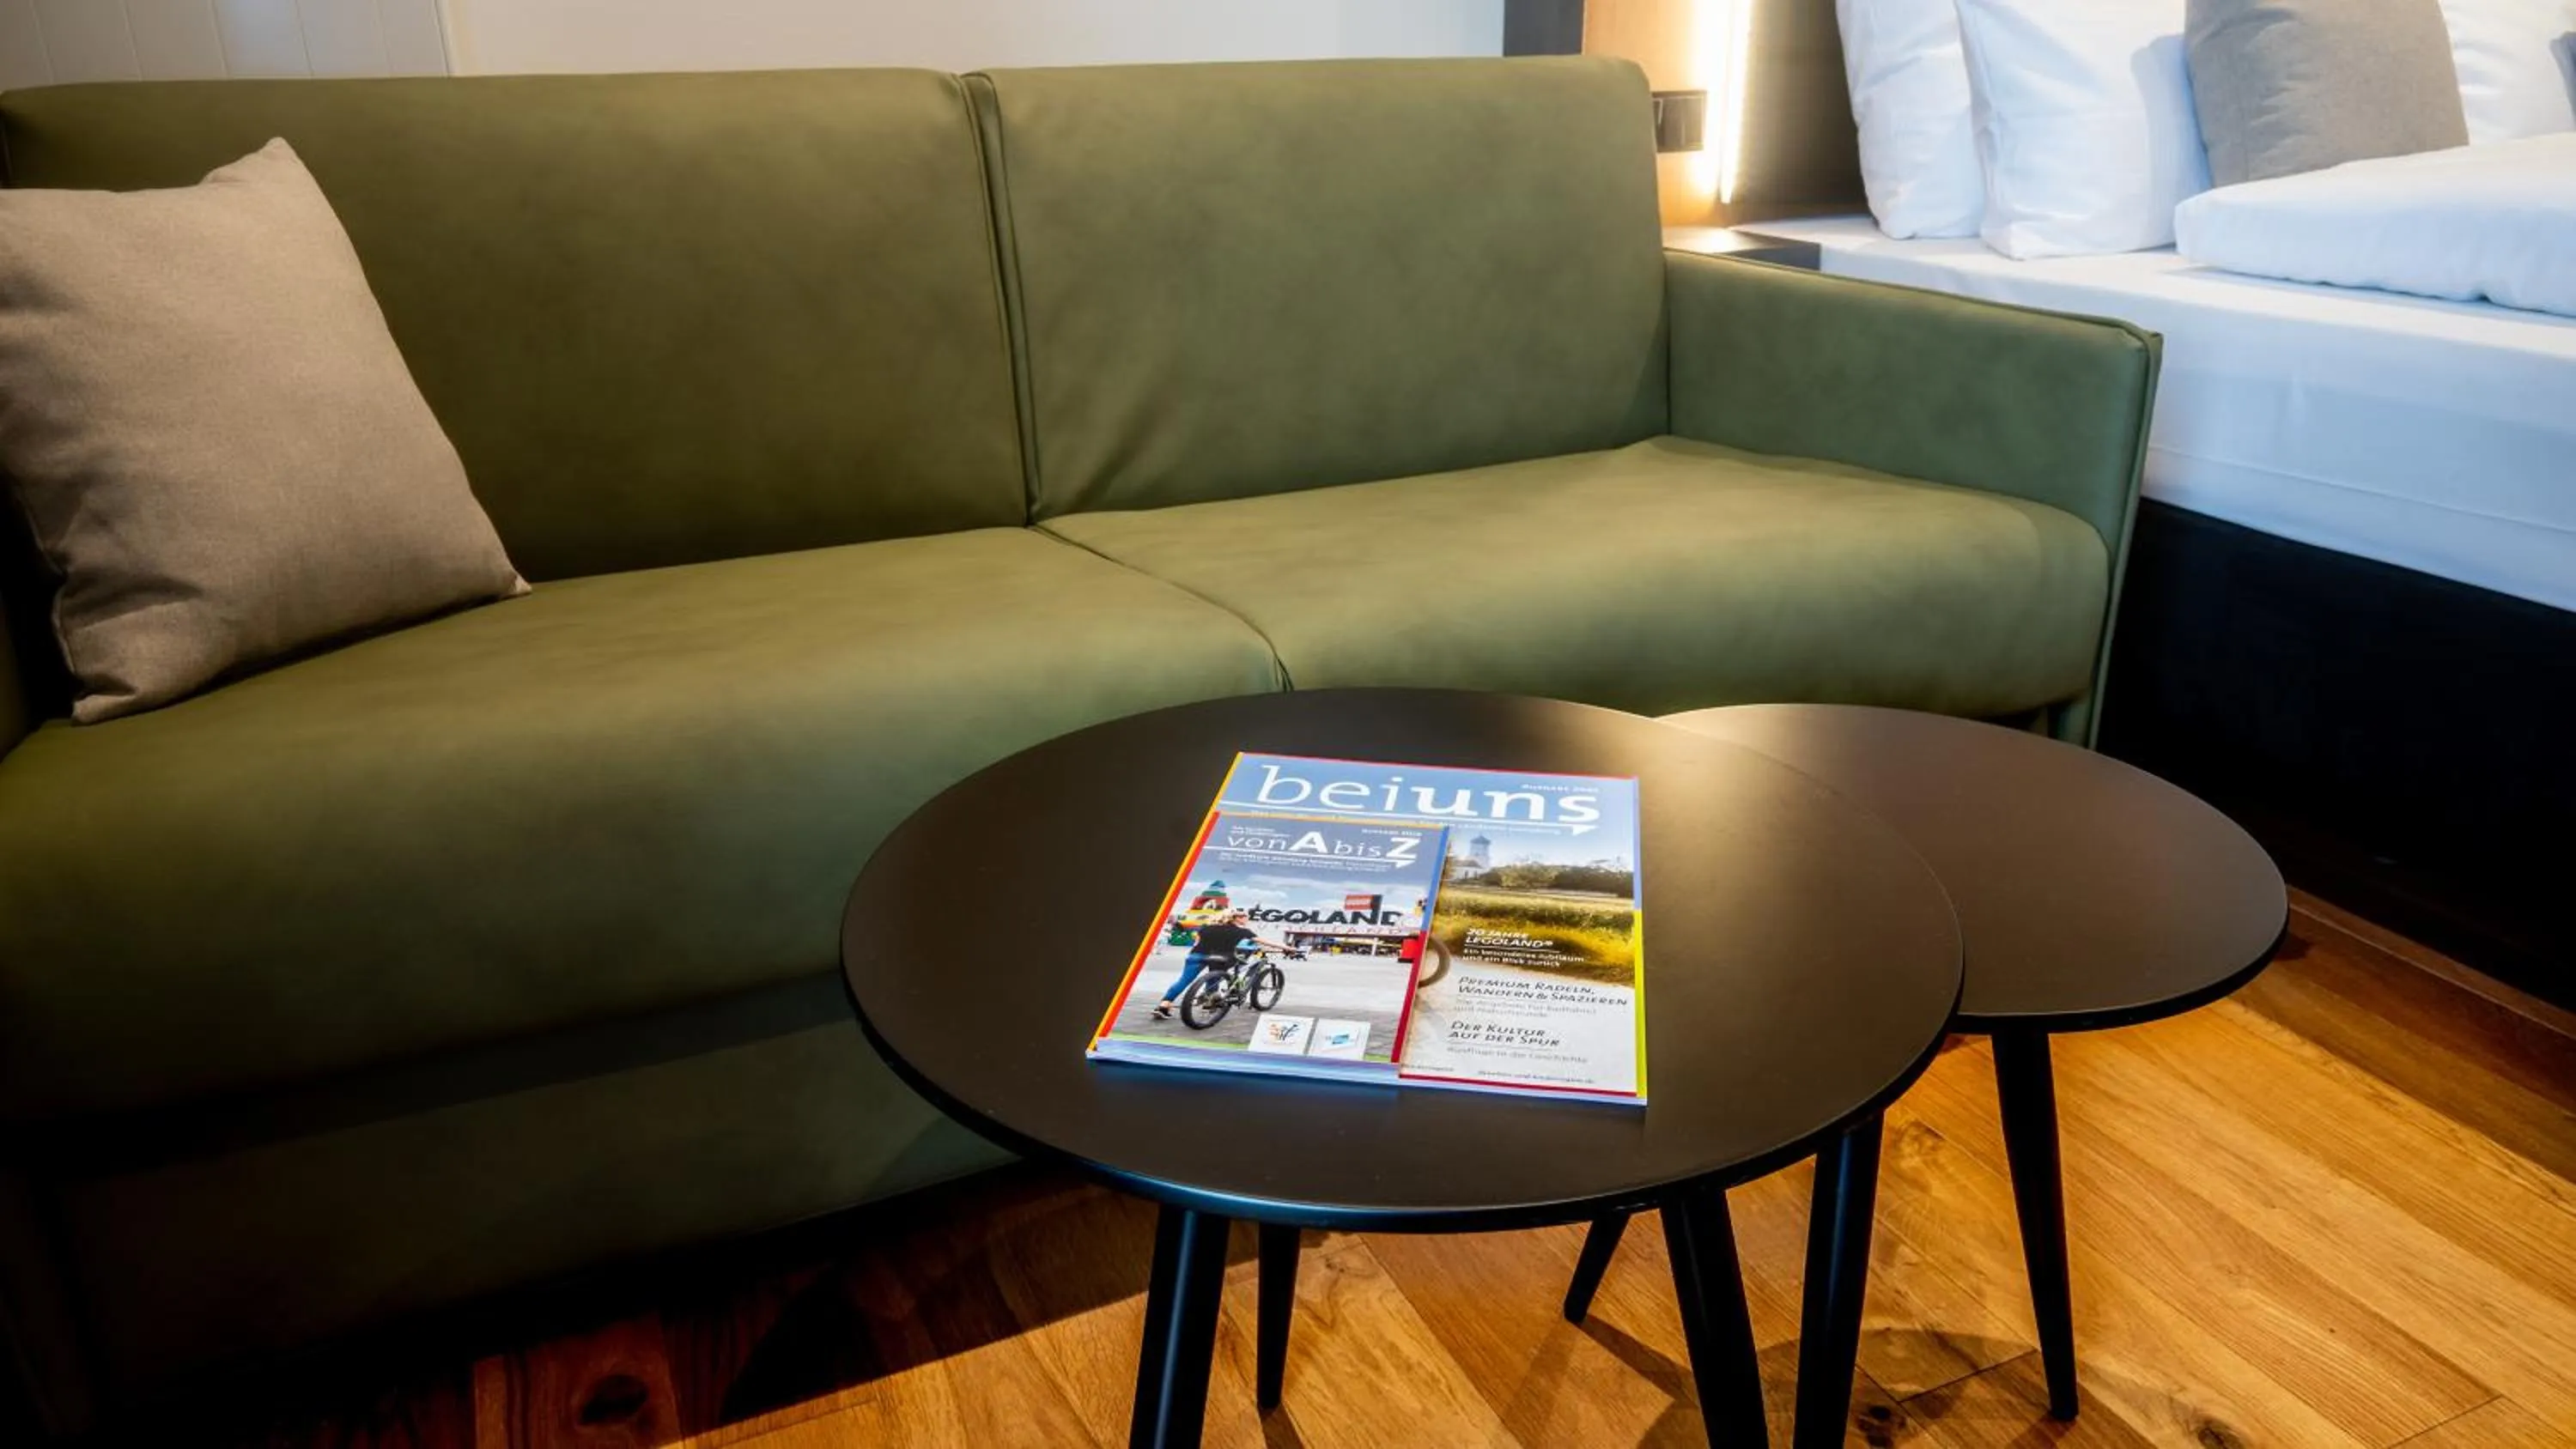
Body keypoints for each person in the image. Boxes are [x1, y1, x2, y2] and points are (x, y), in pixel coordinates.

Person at [1151, 909, 1284, 1019]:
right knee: (1215, 977)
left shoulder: (1206, 927)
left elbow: (1197, 942)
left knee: (1184, 980)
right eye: (1245, 916)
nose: (1247, 918)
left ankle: (1163, 1006)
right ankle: (1209, 1002)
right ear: (1235, 918)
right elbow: (1265, 942)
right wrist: (1288, 948)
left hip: (1196, 955)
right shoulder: (1243, 931)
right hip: (1218, 958)